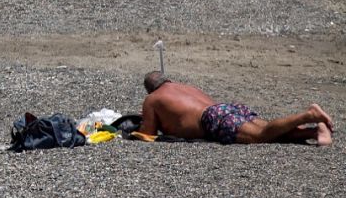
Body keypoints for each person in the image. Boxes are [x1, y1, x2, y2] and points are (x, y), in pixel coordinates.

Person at [139, 73, 331, 146]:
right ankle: (314, 131)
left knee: (261, 135)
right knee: (270, 132)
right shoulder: (186, 87)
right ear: (168, 80)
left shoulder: (153, 98)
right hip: (225, 109)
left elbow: (148, 133)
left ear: (150, 88)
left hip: (213, 118)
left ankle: (308, 116)